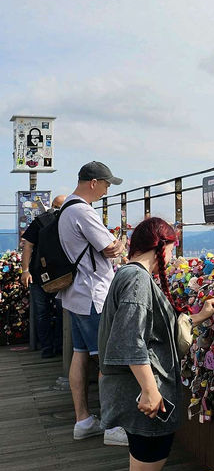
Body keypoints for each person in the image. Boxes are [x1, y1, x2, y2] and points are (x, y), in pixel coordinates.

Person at [98, 217, 214, 471]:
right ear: (161, 246)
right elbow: (130, 341)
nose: (173, 254)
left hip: (134, 397)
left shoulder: (128, 274)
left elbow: (154, 334)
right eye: (172, 246)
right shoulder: (137, 280)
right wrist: (151, 392)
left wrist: (197, 317)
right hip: (145, 402)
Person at [58, 161, 128, 445]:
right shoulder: (83, 211)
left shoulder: (65, 209)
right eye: (107, 184)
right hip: (92, 297)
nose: (107, 189)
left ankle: (83, 420)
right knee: (106, 360)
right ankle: (112, 427)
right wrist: (121, 242)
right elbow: (109, 249)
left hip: (75, 295)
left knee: (80, 354)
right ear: (93, 182)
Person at [21, 194, 67, 357]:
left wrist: (25, 270)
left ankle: (47, 348)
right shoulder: (68, 221)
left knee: (42, 313)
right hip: (62, 275)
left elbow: (28, 245)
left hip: (38, 273)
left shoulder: (40, 220)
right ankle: (61, 346)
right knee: (63, 312)